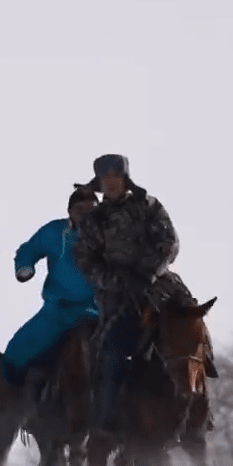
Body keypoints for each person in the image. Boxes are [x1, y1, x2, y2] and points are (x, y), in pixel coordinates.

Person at [71, 154, 187, 432]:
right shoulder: (94, 220)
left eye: (115, 177)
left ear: (125, 179)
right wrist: (115, 280)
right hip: (119, 296)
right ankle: (107, 419)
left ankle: (198, 413)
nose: (111, 183)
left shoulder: (149, 206)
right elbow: (86, 260)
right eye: (105, 179)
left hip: (160, 286)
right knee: (110, 349)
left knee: (192, 330)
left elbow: (169, 242)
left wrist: (151, 271)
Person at [0, 184, 100, 406]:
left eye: (91, 209)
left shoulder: (107, 235)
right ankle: (11, 405)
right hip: (57, 310)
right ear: (70, 211)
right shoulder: (55, 232)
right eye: (79, 209)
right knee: (17, 350)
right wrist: (24, 267)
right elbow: (28, 250)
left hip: (96, 310)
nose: (85, 214)